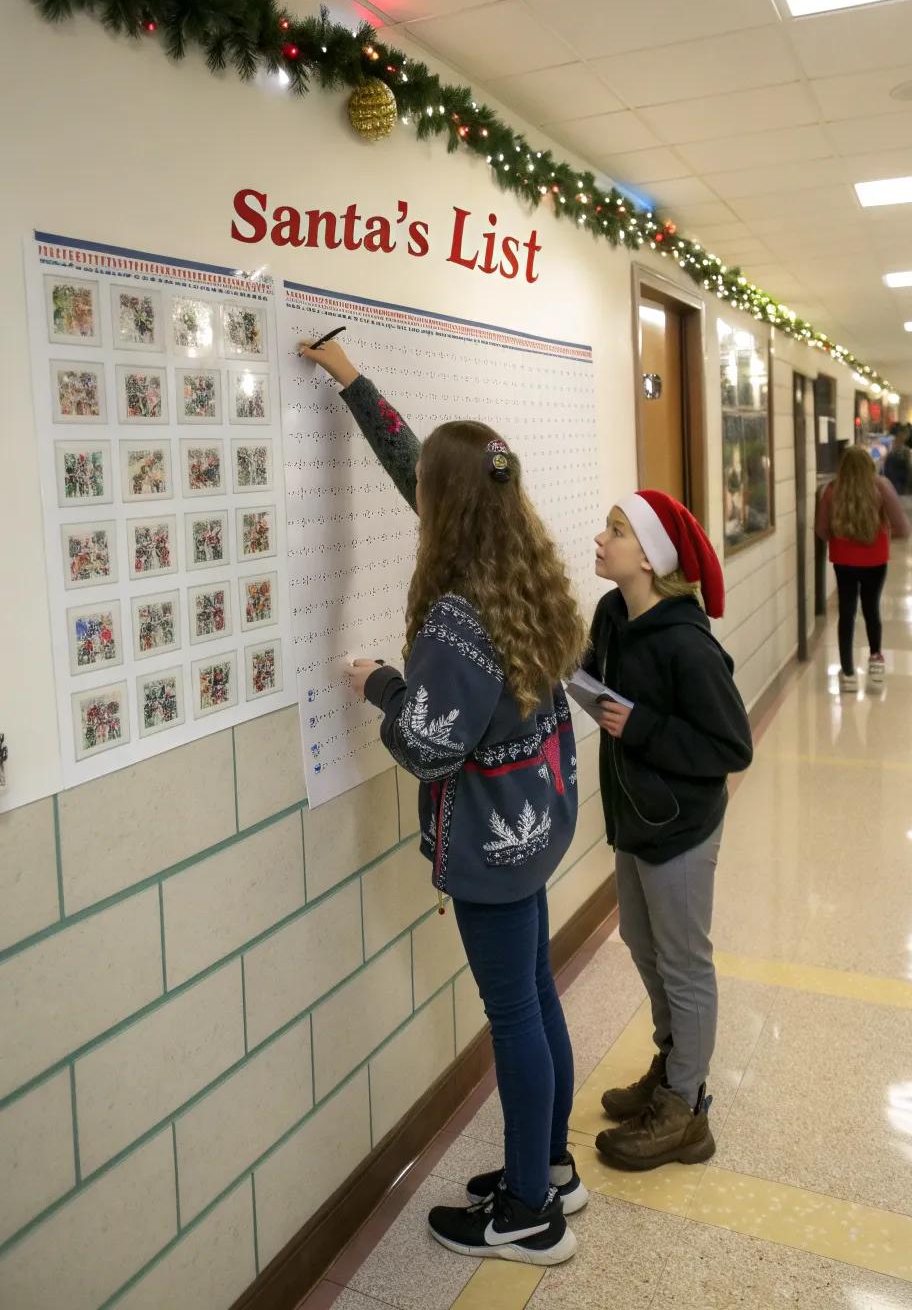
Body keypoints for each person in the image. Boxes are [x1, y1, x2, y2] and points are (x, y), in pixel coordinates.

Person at [299, 337, 588, 1266]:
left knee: (515, 1016)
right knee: (537, 996)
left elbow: (426, 746)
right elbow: (417, 464)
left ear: (446, 507)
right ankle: (551, 1169)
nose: (415, 496)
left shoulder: (461, 618)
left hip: (491, 851)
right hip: (537, 828)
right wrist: (352, 383)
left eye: (426, 489)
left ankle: (528, 1213)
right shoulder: (523, 574)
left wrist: (379, 681)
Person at [580, 493, 753, 1171]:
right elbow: (593, 677)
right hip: (634, 818)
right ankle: (673, 1061)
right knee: (643, 944)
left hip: (681, 826)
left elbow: (732, 746)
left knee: (683, 962)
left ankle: (686, 1109)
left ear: (650, 558)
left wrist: (644, 726)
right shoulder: (612, 615)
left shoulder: (687, 642)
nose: (601, 539)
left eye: (616, 532)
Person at [816, 445, 910, 692]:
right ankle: (876, 662)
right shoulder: (881, 486)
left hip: (843, 560)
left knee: (846, 613)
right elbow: (903, 528)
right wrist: (884, 535)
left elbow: (821, 530)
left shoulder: (831, 490)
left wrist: (841, 537)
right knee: (871, 609)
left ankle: (848, 673)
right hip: (875, 560)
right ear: (869, 464)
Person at [883, 424, 912, 532]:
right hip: (902, 490)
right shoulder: (905, 452)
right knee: (905, 519)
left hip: (896, 489)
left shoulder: (890, 451)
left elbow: (885, 470)